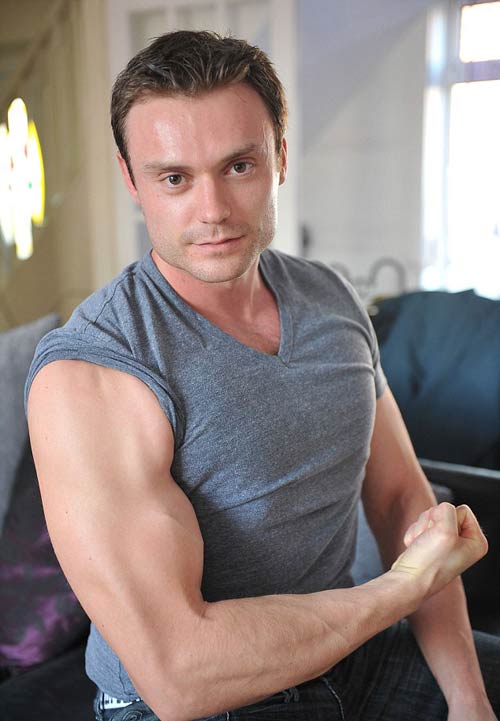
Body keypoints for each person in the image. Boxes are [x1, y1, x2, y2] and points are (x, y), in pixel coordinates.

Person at [26, 31, 499, 721]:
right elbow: (180, 676)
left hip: (349, 652)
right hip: (208, 696)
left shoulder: (331, 299)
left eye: (238, 166)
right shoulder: (92, 372)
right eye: (175, 178)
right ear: (132, 180)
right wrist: (398, 590)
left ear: (279, 156)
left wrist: (468, 700)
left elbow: (402, 498)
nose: (213, 209)